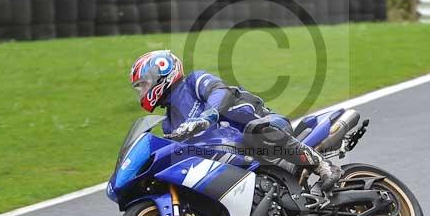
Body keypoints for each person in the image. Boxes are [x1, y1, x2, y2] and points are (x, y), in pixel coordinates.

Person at [129, 50, 342, 193]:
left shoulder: (194, 81)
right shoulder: (169, 123)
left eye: (143, 84)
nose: (143, 91)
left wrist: (207, 117)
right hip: (227, 155)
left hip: (263, 125)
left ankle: (323, 165)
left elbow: (220, 92)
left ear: (161, 73)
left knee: (255, 131)